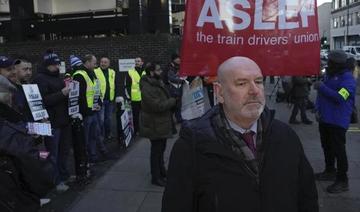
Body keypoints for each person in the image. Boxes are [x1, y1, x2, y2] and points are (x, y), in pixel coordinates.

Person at [162, 56, 318, 212]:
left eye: (258, 81)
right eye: (242, 83)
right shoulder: (191, 148)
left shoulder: (286, 136)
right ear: (220, 93)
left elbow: (307, 196)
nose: (254, 91)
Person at [313, 50, 356, 193]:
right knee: (327, 147)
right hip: (325, 118)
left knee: (339, 151)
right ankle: (329, 171)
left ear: (338, 64)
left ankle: (342, 180)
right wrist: (317, 109)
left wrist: (322, 87)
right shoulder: (329, 75)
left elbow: (340, 97)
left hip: (338, 121)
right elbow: (320, 95)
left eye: (331, 63)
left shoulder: (348, 79)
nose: (328, 65)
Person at [33, 50, 71, 192]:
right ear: (48, 65)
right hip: (52, 122)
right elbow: (43, 101)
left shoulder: (58, 78)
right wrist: (62, 93)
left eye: (58, 64)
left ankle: (64, 175)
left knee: (64, 151)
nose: (57, 66)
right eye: (55, 64)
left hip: (63, 120)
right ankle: (55, 181)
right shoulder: (40, 79)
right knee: (52, 154)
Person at [139, 62, 176, 187]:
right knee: (156, 151)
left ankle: (161, 171)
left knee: (161, 149)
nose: (160, 72)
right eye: (158, 70)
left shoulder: (157, 82)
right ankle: (156, 177)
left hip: (160, 122)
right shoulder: (147, 88)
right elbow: (157, 106)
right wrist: (172, 101)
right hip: (154, 123)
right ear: (151, 72)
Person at [73, 54, 109, 164]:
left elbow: (95, 90)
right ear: (87, 62)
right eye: (94, 63)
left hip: (93, 111)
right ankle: (86, 158)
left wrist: (98, 102)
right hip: (86, 113)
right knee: (85, 138)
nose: (96, 65)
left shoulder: (91, 73)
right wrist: (87, 110)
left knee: (94, 135)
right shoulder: (79, 75)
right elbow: (79, 96)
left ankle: (93, 156)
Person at [94, 56, 116, 140]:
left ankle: (108, 134)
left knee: (109, 119)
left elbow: (114, 84)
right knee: (101, 120)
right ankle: (101, 136)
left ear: (109, 63)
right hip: (100, 100)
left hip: (110, 99)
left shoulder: (112, 72)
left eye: (105, 62)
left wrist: (114, 97)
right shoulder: (95, 71)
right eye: (102, 62)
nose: (103, 63)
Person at [125, 57, 145, 134]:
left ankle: (145, 129)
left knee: (145, 115)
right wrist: (129, 97)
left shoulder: (145, 72)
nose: (137, 62)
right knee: (135, 116)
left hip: (145, 98)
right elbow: (127, 85)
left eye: (138, 61)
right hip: (134, 99)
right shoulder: (130, 72)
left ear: (142, 62)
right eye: (136, 61)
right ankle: (137, 130)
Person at [165, 53, 184, 123]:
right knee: (173, 105)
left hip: (179, 88)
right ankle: (170, 120)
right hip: (172, 89)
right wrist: (181, 80)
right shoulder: (170, 67)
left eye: (179, 58)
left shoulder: (180, 67)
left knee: (179, 104)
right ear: (173, 59)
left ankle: (179, 118)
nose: (179, 59)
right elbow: (171, 78)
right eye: (177, 58)